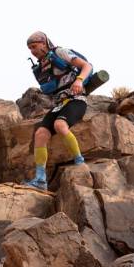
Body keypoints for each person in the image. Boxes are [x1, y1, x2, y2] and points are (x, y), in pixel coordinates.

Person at [24, 31, 88, 191]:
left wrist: (79, 80)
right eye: (30, 48)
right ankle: (40, 180)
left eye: (34, 46)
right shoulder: (41, 66)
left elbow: (87, 66)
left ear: (44, 43)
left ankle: (80, 162)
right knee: (40, 134)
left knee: (60, 125)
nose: (32, 50)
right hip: (59, 104)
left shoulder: (60, 52)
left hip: (76, 100)